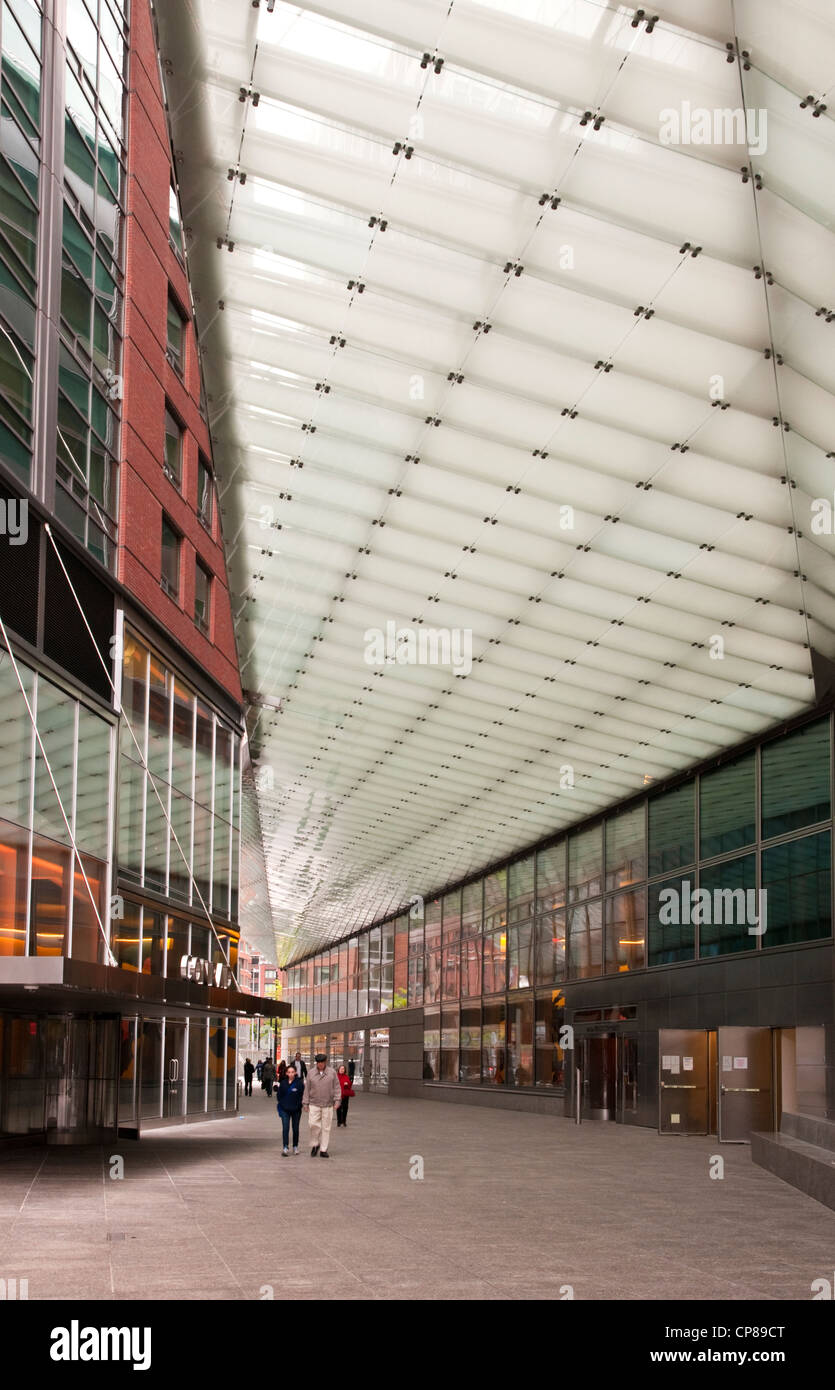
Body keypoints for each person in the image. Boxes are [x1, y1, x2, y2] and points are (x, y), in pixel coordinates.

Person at [303, 1053, 341, 1157]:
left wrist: (337, 1100)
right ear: (316, 1063)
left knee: (326, 1127)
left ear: (325, 1062)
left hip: (328, 1104)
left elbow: (337, 1087)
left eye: (322, 1062)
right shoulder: (311, 1073)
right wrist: (305, 1102)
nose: (320, 1064)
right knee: (313, 1125)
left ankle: (323, 1149)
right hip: (314, 1103)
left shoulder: (332, 1072)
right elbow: (307, 1089)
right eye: (318, 1062)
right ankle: (315, 1143)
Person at [276, 1064, 304, 1155]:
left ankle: (295, 1146)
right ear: (286, 1073)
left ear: (295, 1073)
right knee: (285, 1128)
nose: (291, 1074)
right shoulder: (283, 1083)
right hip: (285, 1110)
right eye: (289, 1072)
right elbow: (279, 1096)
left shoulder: (299, 1083)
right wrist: (283, 1105)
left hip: (296, 1110)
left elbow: (302, 1096)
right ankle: (285, 1147)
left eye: (293, 1072)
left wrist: (299, 1105)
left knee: (295, 1128)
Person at [336, 1063, 354, 1128]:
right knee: (338, 1109)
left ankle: (344, 1121)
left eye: (343, 1069)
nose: (342, 1070)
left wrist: (347, 1084)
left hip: (345, 1095)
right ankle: (339, 1121)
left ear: (345, 1070)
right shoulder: (336, 1076)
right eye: (341, 1069)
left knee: (345, 1108)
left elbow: (349, 1086)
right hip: (338, 1095)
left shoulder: (346, 1077)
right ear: (338, 1069)